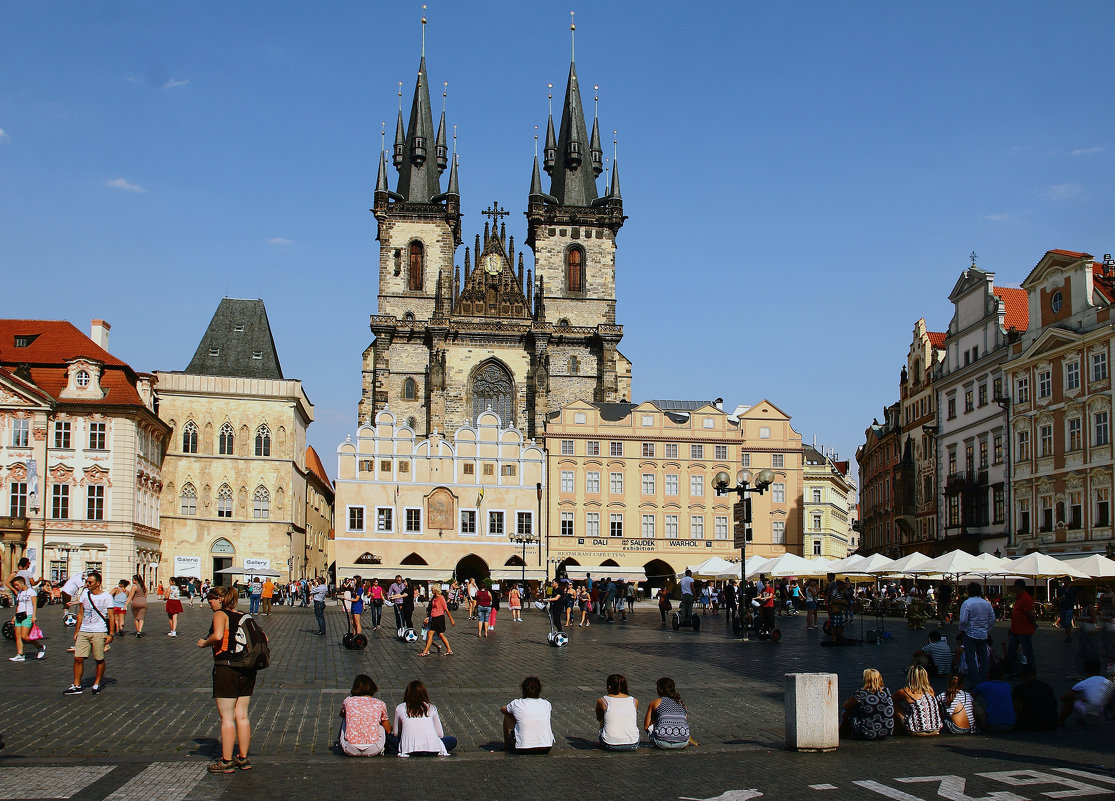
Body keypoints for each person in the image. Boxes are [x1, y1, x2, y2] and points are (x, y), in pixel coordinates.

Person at [197, 586, 255, 773]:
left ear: (220, 599)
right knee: (243, 715)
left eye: (211, 600)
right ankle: (244, 759)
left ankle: (226, 760)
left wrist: (204, 643)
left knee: (227, 718)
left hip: (226, 668)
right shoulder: (244, 616)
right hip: (247, 669)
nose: (210, 604)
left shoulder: (220, 615)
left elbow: (218, 636)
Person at [64, 571, 113, 696]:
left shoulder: (106, 597)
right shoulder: (85, 594)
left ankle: (96, 683)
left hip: (99, 631)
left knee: (99, 659)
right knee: (78, 658)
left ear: (98, 583)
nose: (87, 584)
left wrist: (111, 633)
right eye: (87, 582)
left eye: (90, 582)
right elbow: (81, 613)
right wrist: (77, 630)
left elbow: (111, 617)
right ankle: (77, 685)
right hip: (84, 630)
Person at [388, 680, 456, 756]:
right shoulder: (431, 708)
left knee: (389, 738)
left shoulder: (400, 708)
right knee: (452, 740)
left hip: (410, 749)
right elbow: (440, 734)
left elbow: (396, 733)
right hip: (432, 749)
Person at [338, 674, 391, 756]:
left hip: (350, 748)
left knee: (345, 718)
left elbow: (341, 714)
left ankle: (341, 742)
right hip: (373, 748)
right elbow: (388, 729)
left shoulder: (348, 701)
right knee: (380, 725)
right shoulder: (380, 703)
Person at [500, 676, 554, 754]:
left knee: (508, 716)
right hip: (546, 747)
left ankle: (507, 746)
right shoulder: (546, 703)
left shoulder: (517, 703)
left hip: (523, 748)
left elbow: (502, 709)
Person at [958, 583, 995, 687]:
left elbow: (963, 620)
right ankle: (984, 679)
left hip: (970, 634)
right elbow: (992, 619)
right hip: (983, 635)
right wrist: (986, 629)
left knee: (971, 659)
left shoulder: (967, 603)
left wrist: (963, 630)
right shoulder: (986, 604)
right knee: (983, 659)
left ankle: (975, 682)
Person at [840, 668, 894, 740]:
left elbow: (845, 706)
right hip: (886, 731)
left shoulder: (861, 694)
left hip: (868, 732)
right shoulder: (886, 691)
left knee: (847, 711)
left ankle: (842, 734)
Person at [1059, 657, 1114, 725]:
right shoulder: (1107, 681)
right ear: (1099, 669)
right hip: (1102, 711)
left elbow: (1063, 698)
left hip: (1088, 710)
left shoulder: (1083, 683)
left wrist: (1077, 699)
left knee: (1069, 700)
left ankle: (1060, 723)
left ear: (1085, 670)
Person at [893, 665, 941, 736]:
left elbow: (890, 699)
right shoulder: (930, 690)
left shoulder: (905, 691)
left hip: (917, 731)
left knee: (894, 706)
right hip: (935, 729)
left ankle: (897, 732)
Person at [644, 677, 690, 749]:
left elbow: (646, 726)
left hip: (661, 742)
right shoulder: (682, 703)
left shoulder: (655, 702)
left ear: (660, 690)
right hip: (683, 742)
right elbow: (684, 721)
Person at [596, 673, 639, 750]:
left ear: (609, 687)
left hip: (609, 744)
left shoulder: (602, 700)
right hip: (632, 743)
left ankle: (608, 738)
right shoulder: (634, 701)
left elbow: (599, 718)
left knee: (604, 716)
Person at [8, 575, 46, 661]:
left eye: (17, 585)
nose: (16, 587)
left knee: (24, 636)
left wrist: (33, 615)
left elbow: (34, 604)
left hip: (28, 615)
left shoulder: (31, 592)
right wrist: (14, 616)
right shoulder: (20, 593)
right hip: (19, 615)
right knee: (17, 636)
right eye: (15, 586)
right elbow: (18, 605)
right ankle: (20, 654)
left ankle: (40, 646)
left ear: (22, 583)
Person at [972, 662, 1016, 731]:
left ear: (988, 675)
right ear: (1002, 676)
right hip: (1011, 724)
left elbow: (970, 698)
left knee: (972, 703)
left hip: (992, 724)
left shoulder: (982, 686)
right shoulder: (1008, 686)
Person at [1012, 665, 1058, 731]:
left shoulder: (1018, 688)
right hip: (1050, 723)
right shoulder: (1047, 686)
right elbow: (1054, 704)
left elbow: (1016, 709)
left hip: (1030, 724)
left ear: (1021, 676)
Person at [1006, 579, 1037, 676]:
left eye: (1014, 586)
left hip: (1024, 630)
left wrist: (1033, 624)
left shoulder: (1025, 599)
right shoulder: (1019, 598)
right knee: (1012, 649)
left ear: (1018, 587)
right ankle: (1017, 670)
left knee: (1027, 651)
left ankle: (1031, 671)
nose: (1013, 588)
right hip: (1016, 630)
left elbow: (1030, 614)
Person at [418, 586, 454, 656]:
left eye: (432, 590)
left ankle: (425, 651)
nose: (431, 591)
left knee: (430, 634)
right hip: (434, 618)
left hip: (439, 618)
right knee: (440, 634)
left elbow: (446, 609)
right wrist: (428, 617)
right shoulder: (434, 598)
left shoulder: (441, 598)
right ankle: (449, 650)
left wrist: (451, 620)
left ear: (436, 590)